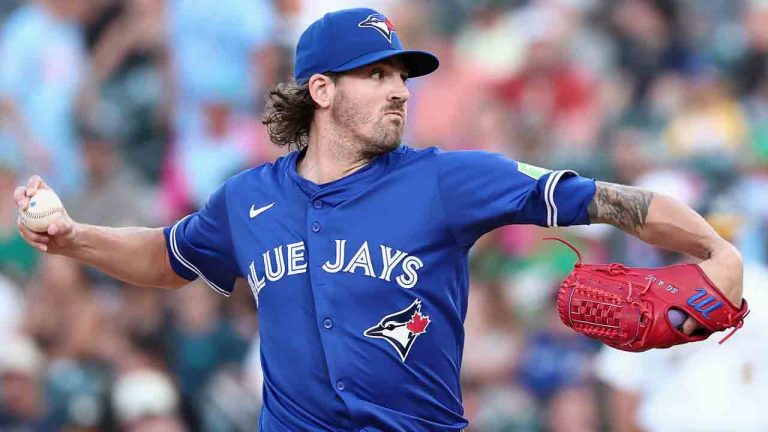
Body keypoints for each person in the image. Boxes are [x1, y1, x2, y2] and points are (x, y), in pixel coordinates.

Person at [14, 7, 744, 432]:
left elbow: (609, 199)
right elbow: (166, 258)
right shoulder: (248, 199)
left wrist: (715, 248)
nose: (399, 89)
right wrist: (74, 238)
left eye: (401, 75)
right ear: (322, 90)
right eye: (376, 74)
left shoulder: (447, 179)